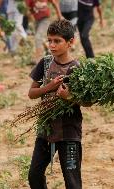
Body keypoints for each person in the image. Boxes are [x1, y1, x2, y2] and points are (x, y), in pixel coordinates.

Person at [28, 19, 83, 189]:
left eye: (57, 41)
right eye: (49, 40)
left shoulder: (77, 69)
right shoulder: (45, 64)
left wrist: (68, 96)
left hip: (69, 132)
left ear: (70, 42)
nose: (52, 45)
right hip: (46, 129)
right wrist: (49, 87)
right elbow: (31, 93)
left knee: (72, 182)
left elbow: (87, 101)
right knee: (34, 175)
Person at [25, 0, 62, 64]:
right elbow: (29, 9)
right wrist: (30, 15)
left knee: (38, 37)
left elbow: (54, 3)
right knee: (41, 39)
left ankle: (38, 59)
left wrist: (59, 16)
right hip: (36, 20)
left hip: (45, 19)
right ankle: (50, 51)